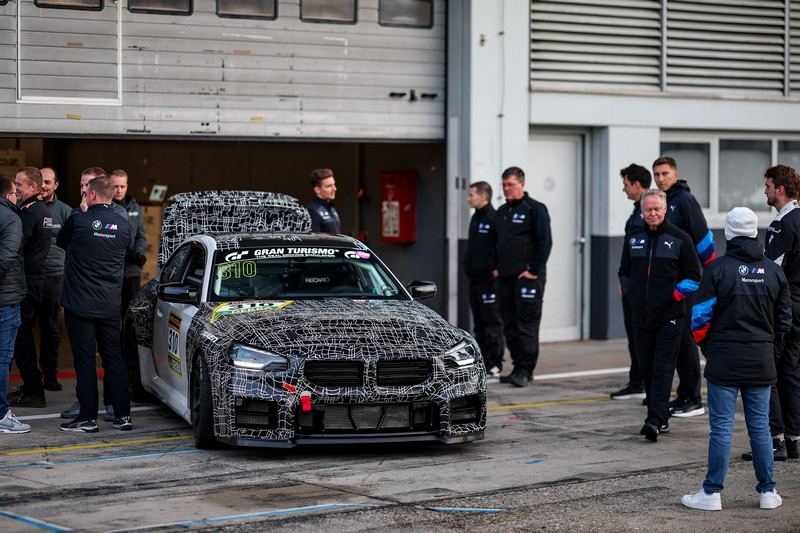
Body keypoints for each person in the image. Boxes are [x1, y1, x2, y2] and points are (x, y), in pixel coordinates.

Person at [683, 207, 790, 511]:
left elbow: (700, 320)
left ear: (728, 233)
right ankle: (768, 492)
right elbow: (785, 322)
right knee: (760, 427)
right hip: (761, 360)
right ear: (755, 233)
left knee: (721, 428)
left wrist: (709, 349)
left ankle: (712, 493)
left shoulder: (717, 270)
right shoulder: (773, 271)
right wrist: (771, 352)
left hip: (724, 360)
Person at [619, 189, 701, 441]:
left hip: (670, 317)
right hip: (641, 317)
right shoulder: (633, 238)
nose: (652, 213)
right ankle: (660, 416)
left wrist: (673, 295)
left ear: (665, 209)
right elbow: (624, 272)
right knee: (646, 367)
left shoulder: (680, 239)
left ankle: (654, 419)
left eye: (657, 209)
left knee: (663, 367)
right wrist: (631, 294)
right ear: (641, 211)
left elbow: (693, 277)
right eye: (648, 210)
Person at [58, 175, 132, 433]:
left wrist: (82, 213)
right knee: (114, 358)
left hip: (80, 304)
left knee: (85, 360)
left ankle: (88, 418)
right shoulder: (123, 226)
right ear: (111, 195)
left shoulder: (78, 219)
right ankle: (123, 415)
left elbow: (61, 242)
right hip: (110, 304)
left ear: (90, 195)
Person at [653, 156, 715, 418]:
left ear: (675, 175)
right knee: (673, 342)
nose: (660, 178)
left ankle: (692, 398)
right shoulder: (661, 201)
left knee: (686, 341)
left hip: (686, 285)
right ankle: (683, 393)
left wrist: (712, 277)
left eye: (665, 173)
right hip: (667, 286)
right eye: (656, 174)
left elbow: (703, 237)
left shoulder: (684, 201)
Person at [745, 164, 800, 461]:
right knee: (791, 371)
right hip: (799, 305)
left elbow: (772, 270)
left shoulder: (781, 224)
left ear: (779, 189)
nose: (765, 190)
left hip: (785, 304)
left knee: (771, 372)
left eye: (767, 186)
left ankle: (774, 441)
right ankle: (794, 440)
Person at [493, 166, 552, 387]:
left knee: (526, 324)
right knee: (509, 325)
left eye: (511, 185)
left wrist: (533, 270)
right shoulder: (501, 212)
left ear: (522, 184)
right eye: (504, 185)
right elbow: (495, 243)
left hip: (528, 278)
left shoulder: (535, 209)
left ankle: (526, 369)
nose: (507, 189)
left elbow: (545, 242)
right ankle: (518, 366)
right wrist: (495, 267)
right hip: (505, 278)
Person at [9, 167, 51, 408]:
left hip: (27, 282)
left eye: (20, 184)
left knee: (21, 335)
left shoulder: (30, 211)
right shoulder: (41, 209)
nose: (16, 188)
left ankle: (34, 389)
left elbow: (15, 244)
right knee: (24, 334)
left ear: (33, 187)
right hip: (36, 280)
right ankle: (32, 385)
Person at [610, 164, 651, 401]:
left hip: (644, 288)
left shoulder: (648, 212)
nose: (623, 189)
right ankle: (637, 382)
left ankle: (648, 384)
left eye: (625, 184)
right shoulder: (636, 212)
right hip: (631, 286)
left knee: (644, 339)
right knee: (633, 337)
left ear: (637, 185)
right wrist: (624, 280)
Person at [463, 181, 504, 377]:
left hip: (488, 282)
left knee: (491, 322)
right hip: (475, 280)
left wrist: (494, 268)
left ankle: (495, 362)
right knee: (479, 323)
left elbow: (500, 247)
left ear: (483, 196)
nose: (468, 198)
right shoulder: (475, 218)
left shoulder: (493, 218)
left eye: (471, 195)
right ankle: (484, 361)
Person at [0, 174, 30, 434]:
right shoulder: (11, 218)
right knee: (2, 359)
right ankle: (1, 415)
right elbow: (7, 255)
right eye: (14, 193)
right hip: (5, 299)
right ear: (7, 195)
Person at [36, 167, 71, 392]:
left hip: (54, 278)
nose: (43, 186)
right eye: (40, 182)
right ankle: (29, 377)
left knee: (50, 328)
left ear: (56, 185)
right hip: (29, 278)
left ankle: (49, 375)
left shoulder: (66, 212)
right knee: (21, 328)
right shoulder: (27, 208)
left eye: (48, 182)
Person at [110, 169, 147, 318]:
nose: (119, 190)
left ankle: (126, 341)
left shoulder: (135, 207)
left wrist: (138, 253)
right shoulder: (105, 207)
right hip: (112, 270)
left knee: (131, 313)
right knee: (112, 313)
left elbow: (141, 235)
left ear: (127, 186)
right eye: (115, 186)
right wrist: (124, 254)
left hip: (132, 271)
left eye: (122, 186)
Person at [306, 168, 341, 234]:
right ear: (317, 190)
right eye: (329, 186)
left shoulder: (331, 208)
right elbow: (313, 241)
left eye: (334, 184)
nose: (334, 189)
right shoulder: (312, 210)